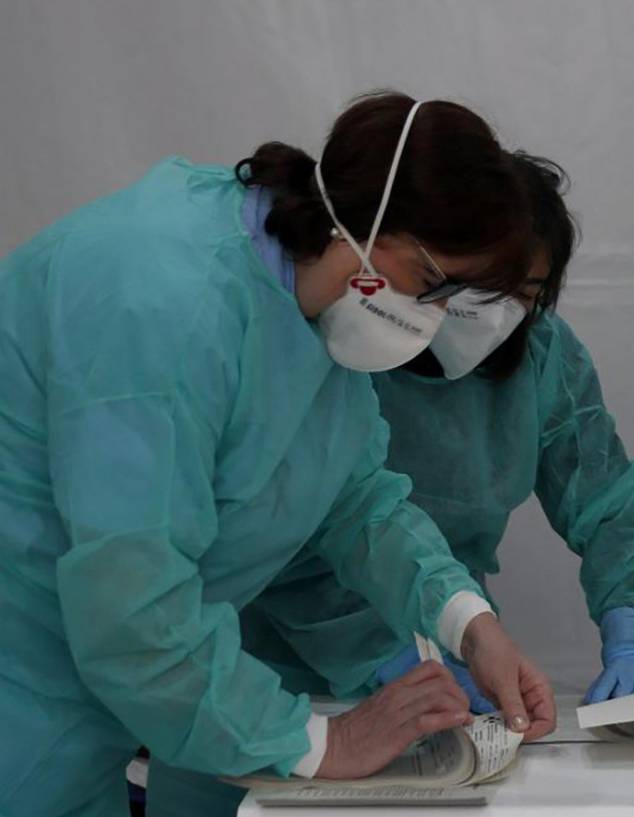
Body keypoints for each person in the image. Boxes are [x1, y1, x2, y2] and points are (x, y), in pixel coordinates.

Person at [0, 91, 555, 817]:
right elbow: (130, 603)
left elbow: (357, 499)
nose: (434, 315)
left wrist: (467, 622)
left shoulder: (310, 310)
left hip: (93, 695)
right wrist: (322, 744)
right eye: (429, 281)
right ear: (360, 221)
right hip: (26, 676)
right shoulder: (163, 299)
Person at [144, 151, 634, 817]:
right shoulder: (345, 343)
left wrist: (628, 625)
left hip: (449, 658)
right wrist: (385, 658)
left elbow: (605, 498)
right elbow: (301, 535)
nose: (498, 311)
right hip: (272, 682)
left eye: (526, 294)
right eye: (479, 286)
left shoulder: (540, 355)